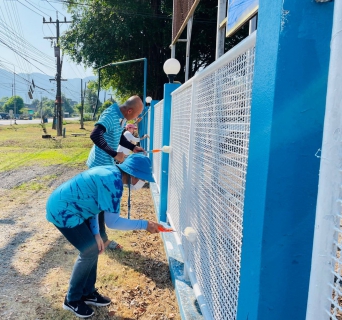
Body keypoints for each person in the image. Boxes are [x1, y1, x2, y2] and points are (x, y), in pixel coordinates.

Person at [46, 154, 162, 318]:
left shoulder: (112, 172)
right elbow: (113, 222)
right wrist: (145, 225)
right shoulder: (113, 183)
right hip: (63, 211)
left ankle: (88, 293)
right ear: (133, 175)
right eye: (142, 179)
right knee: (89, 251)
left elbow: (96, 205)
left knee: (94, 248)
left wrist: (96, 233)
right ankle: (72, 300)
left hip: (74, 209)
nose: (143, 183)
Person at [87, 95, 145, 251]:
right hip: (98, 166)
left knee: (101, 203)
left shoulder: (122, 117)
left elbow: (118, 136)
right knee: (100, 204)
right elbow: (95, 135)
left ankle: (98, 236)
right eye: (137, 114)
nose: (137, 117)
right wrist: (114, 154)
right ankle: (100, 239)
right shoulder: (110, 114)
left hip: (106, 165)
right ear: (130, 110)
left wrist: (133, 148)